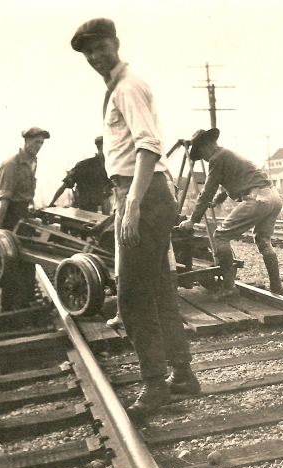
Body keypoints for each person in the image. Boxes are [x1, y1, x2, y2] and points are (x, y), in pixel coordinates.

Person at [71, 18, 199, 420]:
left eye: (100, 48)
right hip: (141, 193)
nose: (94, 57)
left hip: (143, 194)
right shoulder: (117, 88)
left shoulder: (127, 87)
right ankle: (182, 374)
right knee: (159, 290)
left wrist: (132, 204)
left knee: (131, 298)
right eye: (88, 52)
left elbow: (148, 146)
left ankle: (154, 385)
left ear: (115, 43)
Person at [178, 128, 283, 299]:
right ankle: (277, 287)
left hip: (258, 198)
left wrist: (192, 220)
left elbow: (207, 191)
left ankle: (229, 287)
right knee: (263, 241)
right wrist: (217, 201)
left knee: (220, 236)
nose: (204, 159)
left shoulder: (216, 158)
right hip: (273, 197)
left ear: (206, 147)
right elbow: (227, 184)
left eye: (202, 154)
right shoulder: (227, 155)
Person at [0, 127, 50, 311]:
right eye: (36, 142)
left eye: (41, 143)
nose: (39, 146)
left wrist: (32, 208)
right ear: (26, 141)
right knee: (11, 265)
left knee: (28, 262)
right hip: (11, 219)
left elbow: (28, 193)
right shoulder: (11, 164)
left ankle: (26, 307)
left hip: (25, 218)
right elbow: (4, 200)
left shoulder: (33, 161)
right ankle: (10, 312)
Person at [48, 135, 113, 214]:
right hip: (80, 210)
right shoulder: (85, 165)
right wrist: (51, 203)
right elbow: (65, 185)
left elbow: (106, 196)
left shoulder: (110, 168)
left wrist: (105, 219)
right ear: (99, 147)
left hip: (96, 213)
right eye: (106, 147)